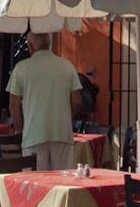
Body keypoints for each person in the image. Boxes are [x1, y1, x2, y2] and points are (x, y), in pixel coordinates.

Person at [6, 34, 83, 171]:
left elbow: (13, 105)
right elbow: (77, 101)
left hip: (33, 135)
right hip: (62, 134)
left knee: (36, 185)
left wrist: (20, 129)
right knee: (62, 183)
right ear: (49, 44)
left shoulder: (21, 68)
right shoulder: (67, 66)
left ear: (30, 46)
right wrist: (65, 118)